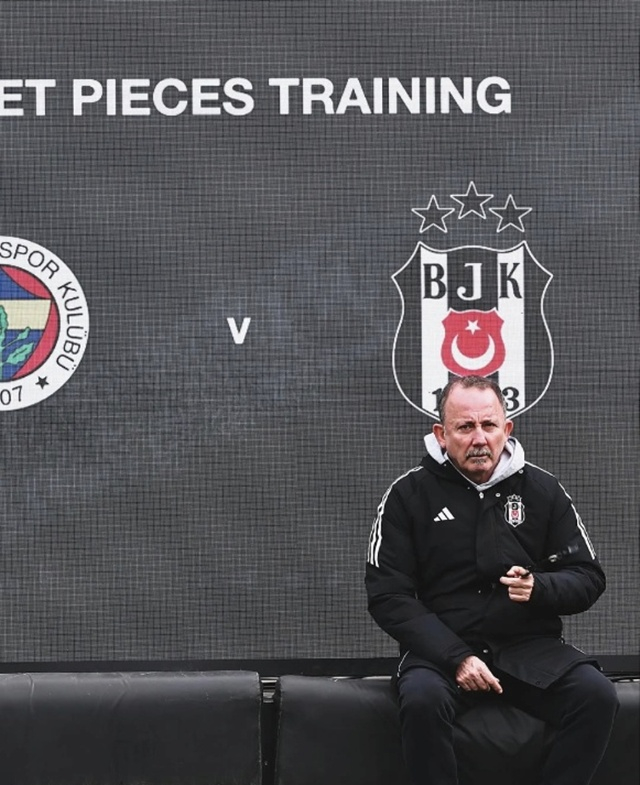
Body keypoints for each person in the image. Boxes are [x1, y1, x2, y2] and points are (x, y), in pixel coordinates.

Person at [365, 375, 618, 785]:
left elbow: (588, 577)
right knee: (422, 701)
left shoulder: (543, 490)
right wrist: (456, 657)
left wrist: (539, 587)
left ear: (507, 429)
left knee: (596, 695)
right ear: (441, 434)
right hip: (440, 653)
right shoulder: (407, 495)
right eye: (465, 427)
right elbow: (388, 595)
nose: (479, 438)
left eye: (489, 425)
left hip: (527, 647)